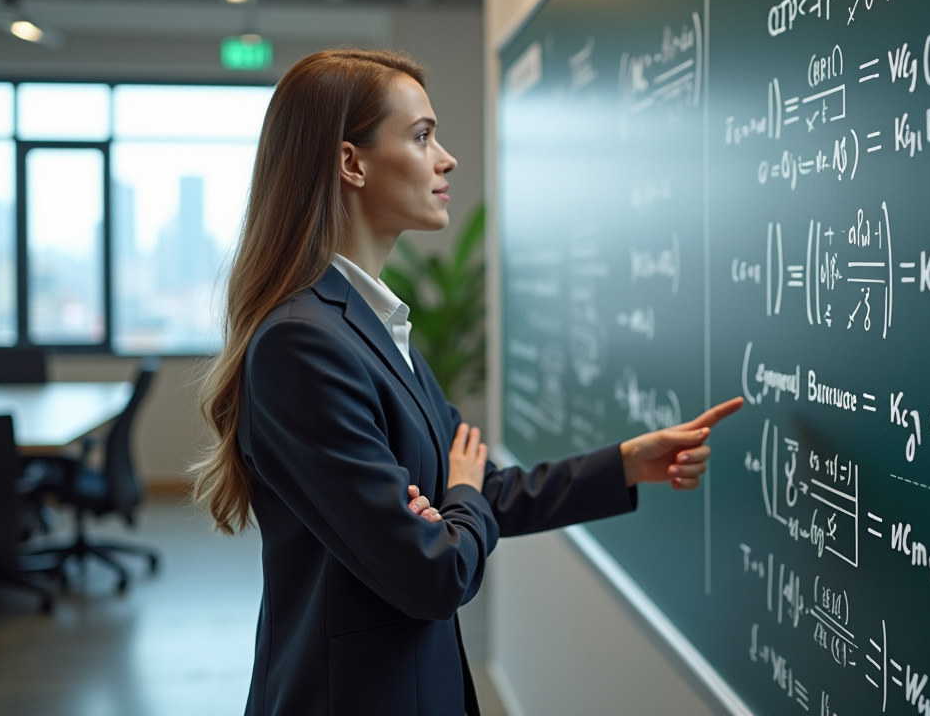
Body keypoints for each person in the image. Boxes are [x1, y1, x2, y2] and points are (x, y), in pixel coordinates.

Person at [192, 48, 743, 716]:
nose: (446, 158)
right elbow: (433, 572)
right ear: (351, 163)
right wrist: (451, 501)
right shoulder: (303, 343)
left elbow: (478, 489)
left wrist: (625, 465)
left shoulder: (370, 325)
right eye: (422, 136)